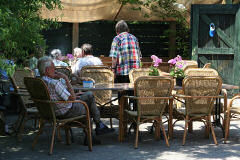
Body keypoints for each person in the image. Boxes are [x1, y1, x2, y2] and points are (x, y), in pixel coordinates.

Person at [37, 56, 114, 137]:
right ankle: (96, 128)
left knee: (88, 95)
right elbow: (72, 98)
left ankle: (97, 127)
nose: (55, 70)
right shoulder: (54, 83)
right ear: (47, 70)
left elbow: (56, 96)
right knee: (89, 103)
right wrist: (66, 78)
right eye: (53, 68)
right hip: (64, 111)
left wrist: (74, 95)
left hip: (49, 111)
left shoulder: (40, 81)